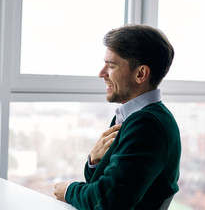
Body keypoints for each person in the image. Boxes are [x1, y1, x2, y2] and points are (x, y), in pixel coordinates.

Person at [54, 24, 181, 210]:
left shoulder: (146, 124)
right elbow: (106, 184)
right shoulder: (132, 118)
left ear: (141, 74)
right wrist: (95, 161)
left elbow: (108, 202)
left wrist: (69, 190)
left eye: (111, 66)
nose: (101, 73)